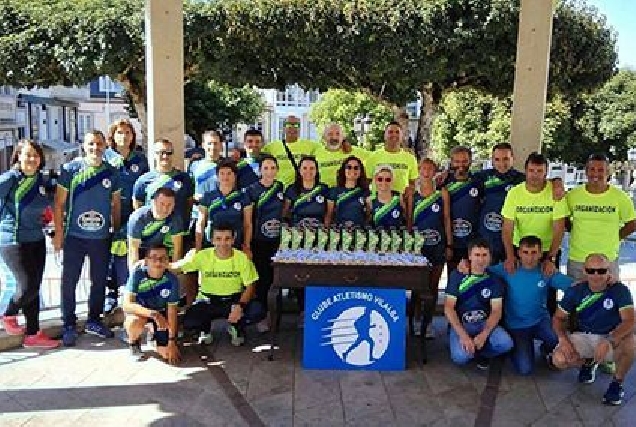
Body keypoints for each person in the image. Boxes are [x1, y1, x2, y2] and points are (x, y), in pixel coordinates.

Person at [53, 131, 121, 346]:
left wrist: (116, 231)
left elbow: (116, 205)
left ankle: (94, 320)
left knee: (99, 281)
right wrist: (59, 234)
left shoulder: (111, 172)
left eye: (99, 144)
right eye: (91, 144)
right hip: (75, 236)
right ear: (84, 146)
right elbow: (59, 204)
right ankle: (69, 324)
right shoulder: (71, 170)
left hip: (101, 238)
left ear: (105, 146)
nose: (95, 148)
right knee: (69, 282)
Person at [551, 254, 635, 406]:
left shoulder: (620, 290)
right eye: (591, 270)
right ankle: (588, 363)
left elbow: (630, 321)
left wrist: (610, 339)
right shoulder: (575, 290)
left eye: (601, 271)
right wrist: (563, 340)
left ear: (609, 271)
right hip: (584, 335)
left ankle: (617, 383)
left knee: (631, 344)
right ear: (584, 271)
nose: (596, 275)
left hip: (610, 336)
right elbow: (558, 318)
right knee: (559, 359)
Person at [0, 140, 59, 348]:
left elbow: (54, 202)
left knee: (35, 286)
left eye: (36, 155)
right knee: (27, 286)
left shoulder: (42, 181)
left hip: (37, 239)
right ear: (18, 157)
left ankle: (33, 334)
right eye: (27, 155)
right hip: (13, 240)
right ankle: (8, 314)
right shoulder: (10, 179)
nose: (32, 159)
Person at [488, 235, 573, 375]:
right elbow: (482, 271)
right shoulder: (508, 268)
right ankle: (514, 349)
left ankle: (547, 350)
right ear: (519, 253)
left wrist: (602, 281)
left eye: (534, 252)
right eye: (525, 252)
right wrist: (466, 265)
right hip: (517, 326)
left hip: (541, 321)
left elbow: (573, 286)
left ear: (540, 254)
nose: (530, 257)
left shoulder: (546, 270)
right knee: (525, 369)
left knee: (557, 338)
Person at [171, 224, 261, 346]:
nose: (223, 243)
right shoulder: (203, 256)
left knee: (257, 311)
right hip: (208, 300)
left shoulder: (242, 258)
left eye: (227, 239)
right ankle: (205, 329)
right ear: (212, 240)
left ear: (233, 240)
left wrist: (240, 306)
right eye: (218, 239)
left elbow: (251, 285)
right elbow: (177, 267)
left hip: (233, 300)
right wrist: (153, 263)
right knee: (189, 321)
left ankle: (236, 327)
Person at [444, 238, 513, 369]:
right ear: (469, 256)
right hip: (462, 323)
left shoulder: (494, 280)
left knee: (506, 343)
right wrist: (463, 336)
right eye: (477, 255)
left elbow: (496, 311)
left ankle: (482, 353)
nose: (481, 260)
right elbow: (448, 308)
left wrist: (484, 334)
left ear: (490, 257)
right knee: (460, 357)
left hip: (484, 323)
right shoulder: (457, 275)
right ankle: (461, 343)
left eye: (484, 255)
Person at [103, 119, 149, 313]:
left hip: (132, 213)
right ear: (112, 136)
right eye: (119, 132)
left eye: (128, 132)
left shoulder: (140, 159)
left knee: (127, 253)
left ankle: (128, 291)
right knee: (108, 254)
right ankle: (109, 294)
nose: (124, 136)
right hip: (108, 212)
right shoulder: (105, 157)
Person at [565, 153, 636, 281]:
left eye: (601, 170)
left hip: (607, 260)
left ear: (608, 172)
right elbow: (564, 218)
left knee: (609, 299)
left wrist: (617, 236)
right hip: (578, 259)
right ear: (586, 172)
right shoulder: (573, 195)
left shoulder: (620, 197)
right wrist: (574, 230)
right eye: (592, 169)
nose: (596, 174)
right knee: (577, 300)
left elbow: (632, 223)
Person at [410, 158, 452, 338]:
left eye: (430, 169)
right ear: (418, 170)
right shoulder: (412, 193)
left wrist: (449, 243)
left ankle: (428, 323)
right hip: (418, 247)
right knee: (416, 285)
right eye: (423, 168)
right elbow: (409, 222)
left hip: (437, 245)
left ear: (435, 171)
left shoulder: (442, 193)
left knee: (433, 286)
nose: (426, 172)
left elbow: (447, 219)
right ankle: (415, 320)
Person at [244, 155, 285, 332]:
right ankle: (261, 316)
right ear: (260, 170)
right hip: (259, 241)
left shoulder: (280, 187)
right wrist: (247, 244)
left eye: (272, 168)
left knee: (278, 279)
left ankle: (276, 316)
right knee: (261, 279)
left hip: (278, 241)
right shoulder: (251, 190)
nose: (269, 171)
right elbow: (248, 220)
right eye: (266, 168)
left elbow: (285, 211)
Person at [123, 244, 180, 364]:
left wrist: (172, 341)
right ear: (146, 260)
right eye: (154, 257)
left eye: (163, 257)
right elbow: (127, 304)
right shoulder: (137, 275)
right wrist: (154, 314)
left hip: (162, 314)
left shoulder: (172, 280)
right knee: (134, 323)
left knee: (166, 354)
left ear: (167, 260)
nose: (158, 261)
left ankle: (155, 336)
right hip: (142, 313)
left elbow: (172, 311)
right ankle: (133, 342)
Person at [472, 143, 525, 264]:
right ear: (492, 160)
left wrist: (556, 182)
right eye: (497, 159)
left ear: (513, 158)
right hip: (488, 240)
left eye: (506, 158)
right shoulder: (482, 178)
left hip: (513, 242)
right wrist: (445, 175)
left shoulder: (522, 180)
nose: (502, 163)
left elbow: (543, 183)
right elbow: (460, 179)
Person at [133, 138, 194, 237]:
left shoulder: (184, 178)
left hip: (177, 233)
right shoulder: (143, 181)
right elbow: (138, 208)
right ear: (154, 155)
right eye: (161, 153)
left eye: (168, 153)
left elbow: (189, 205)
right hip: (152, 235)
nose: (165, 156)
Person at [196, 160, 251, 253]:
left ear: (235, 176)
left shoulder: (243, 197)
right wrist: (198, 247)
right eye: (222, 173)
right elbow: (200, 223)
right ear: (217, 176)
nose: (225, 177)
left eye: (229, 173)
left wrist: (246, 246)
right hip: (210, 247)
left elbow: (248, 225)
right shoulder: (208, 196)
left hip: (235, 247)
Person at [443, 146, 484, 273]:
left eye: (464, 161)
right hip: (451, 241)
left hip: (472, 241)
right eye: (457, 161)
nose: (461, 165)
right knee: (453, 276)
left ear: (470, 162)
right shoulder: (442, 183)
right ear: (451, 162)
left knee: (472, 277)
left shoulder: (478, 182)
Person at [127, 187, 183, 269]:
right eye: (162, 204)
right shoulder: (138, 218)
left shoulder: (175, 218)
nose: (165, 209)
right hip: (139, 249)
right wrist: (134, 275)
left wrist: (173, 273)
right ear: (153, 202)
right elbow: (133, 251)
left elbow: (177, 250)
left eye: (169, 205)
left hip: (157, 250)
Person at [261, 115, 320, 187]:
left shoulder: (311, 145)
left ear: (299, 128)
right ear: (283, 128)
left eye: (296, 125)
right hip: (278, 189)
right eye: (288, 124)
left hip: (299, 190)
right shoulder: (270, 147)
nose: (292, 128)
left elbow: (328, 149)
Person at [364, 121, 418, 195]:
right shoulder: (372, 157)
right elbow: (365, 183)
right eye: (390, 132)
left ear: (402, 136)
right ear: (384, 135)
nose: (394, 135)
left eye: (397, 132)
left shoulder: (410, 158)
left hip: (400, 203)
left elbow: (413, 184)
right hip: (378, 204)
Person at [283, 156, 329, 229]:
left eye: (312, 168)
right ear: (299, 170)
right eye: (305, 168)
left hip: (319, 234)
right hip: (297, 234)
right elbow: (285, 213)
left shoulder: (324, 189)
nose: (308, 171)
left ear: (316, 170)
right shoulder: (291, 189)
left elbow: (329, 213)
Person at [314, 123, 366, 188]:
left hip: (348, 193)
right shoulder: (317, 153)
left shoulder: (353, 150)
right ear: (324, 136)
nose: (334, 137)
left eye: (338, 134)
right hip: (324, 193)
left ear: (343, 137)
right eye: (330, 134)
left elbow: (375, 159)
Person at [325, 156, 370, 229]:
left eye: (356, 168)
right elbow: (329, 216)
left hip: (359, 235)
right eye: (349, 167)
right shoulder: (334, 191)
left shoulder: (365, 192)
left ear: (360, 172)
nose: (352, 170)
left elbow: (368, 216)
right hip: (338, 234)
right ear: (343, 170)